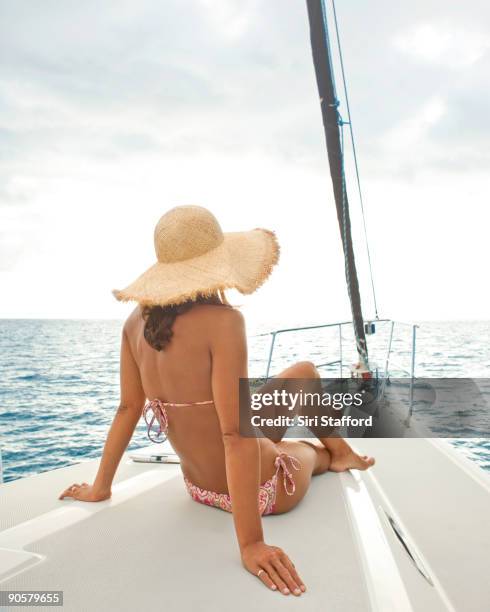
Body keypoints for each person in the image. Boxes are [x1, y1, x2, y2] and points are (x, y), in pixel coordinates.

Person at [59, 205, 374, 597]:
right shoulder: (224, 322)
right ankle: (336, 454)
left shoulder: (133, 325)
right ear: (216, 264)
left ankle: (337, 450)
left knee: (303, 372)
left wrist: (99, 487)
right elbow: (233, 434)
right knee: (303, 450)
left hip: (198, 487)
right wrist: (251, 544)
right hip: (263, 489)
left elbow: (128, 408)